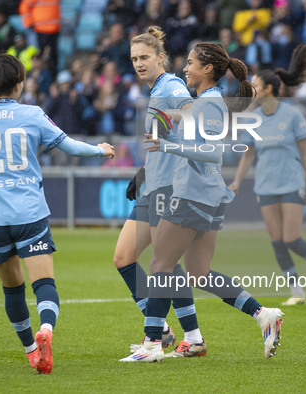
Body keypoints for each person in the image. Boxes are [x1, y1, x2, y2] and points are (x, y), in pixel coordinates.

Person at [0, 54, 114, 374]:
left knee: (12, 289)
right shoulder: (32, 114)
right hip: (30, 214)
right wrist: (101, 150)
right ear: (20, 84)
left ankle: (31, 350)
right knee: (44, 283)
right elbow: (69, 147)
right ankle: (47, 331)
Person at [122, 42, 283, 362]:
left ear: (208, 69)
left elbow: (212, 153)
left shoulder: (209, 104)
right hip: (204, 194)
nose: (185, 69)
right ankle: (263, 314)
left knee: (160, 266)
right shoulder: (206, 102)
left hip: (193, 193)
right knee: (197, 273)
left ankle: (153, 344)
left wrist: (167, 148)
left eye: (191, 63)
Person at [115, 26, 203, 357]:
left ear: (160, 58)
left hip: (171, 188)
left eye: (144, 57)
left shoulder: (171, 86)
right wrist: (143, 171)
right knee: (124, 258)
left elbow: (194, 116)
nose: (138, 63)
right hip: (153, 185)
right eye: (134, 58)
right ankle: (186, 335)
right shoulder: (155, 90)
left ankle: (153, 339)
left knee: (162, 263)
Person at [228, 44, 306, 306]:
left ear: (269, 89)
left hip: (292, 182)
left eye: (256, 86)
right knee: (277, 242)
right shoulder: (254, 118)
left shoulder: (293, 116)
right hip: (265, 185)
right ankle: (297, 292)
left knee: (291, 237)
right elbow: (248, 154)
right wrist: (237, 181)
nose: (252, 90)